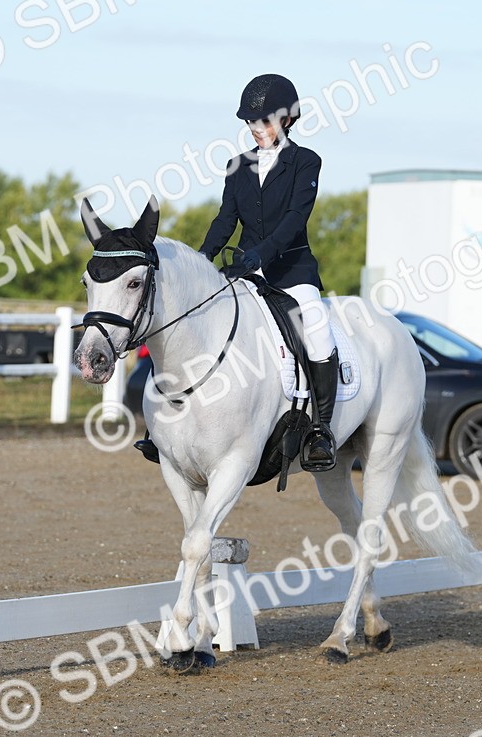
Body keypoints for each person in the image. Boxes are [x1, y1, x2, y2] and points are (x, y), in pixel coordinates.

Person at [197, 73, 338, 472]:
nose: (257, 130)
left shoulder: (306, 162)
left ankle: (321, 431)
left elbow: (295, 219)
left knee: (316, 326)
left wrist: (260, 254)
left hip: (292, 272)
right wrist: (202, 257)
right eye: (251, 123)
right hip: (247, 273)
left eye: (265, 122)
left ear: (287, 120)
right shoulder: (237, 166)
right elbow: (226, 219)